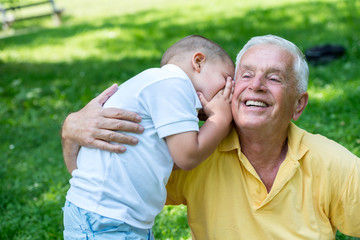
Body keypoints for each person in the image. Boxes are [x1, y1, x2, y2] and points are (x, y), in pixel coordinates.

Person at [61, 35, 360, 239]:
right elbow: (109, 184)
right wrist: (71, 131)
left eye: (274, 77)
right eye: (244, 75)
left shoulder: (330, 163)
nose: (256, 85)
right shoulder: (197, 148)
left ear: (298, 104)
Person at [62, 35, 235, 239]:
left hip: (113, 216)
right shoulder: (173, 84)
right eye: (225, 79)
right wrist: (221, 118)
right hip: (105, 218)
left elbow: (172, 161)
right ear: (198, 62)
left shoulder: (160, 86)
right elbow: (187, 156)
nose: (228, 92)